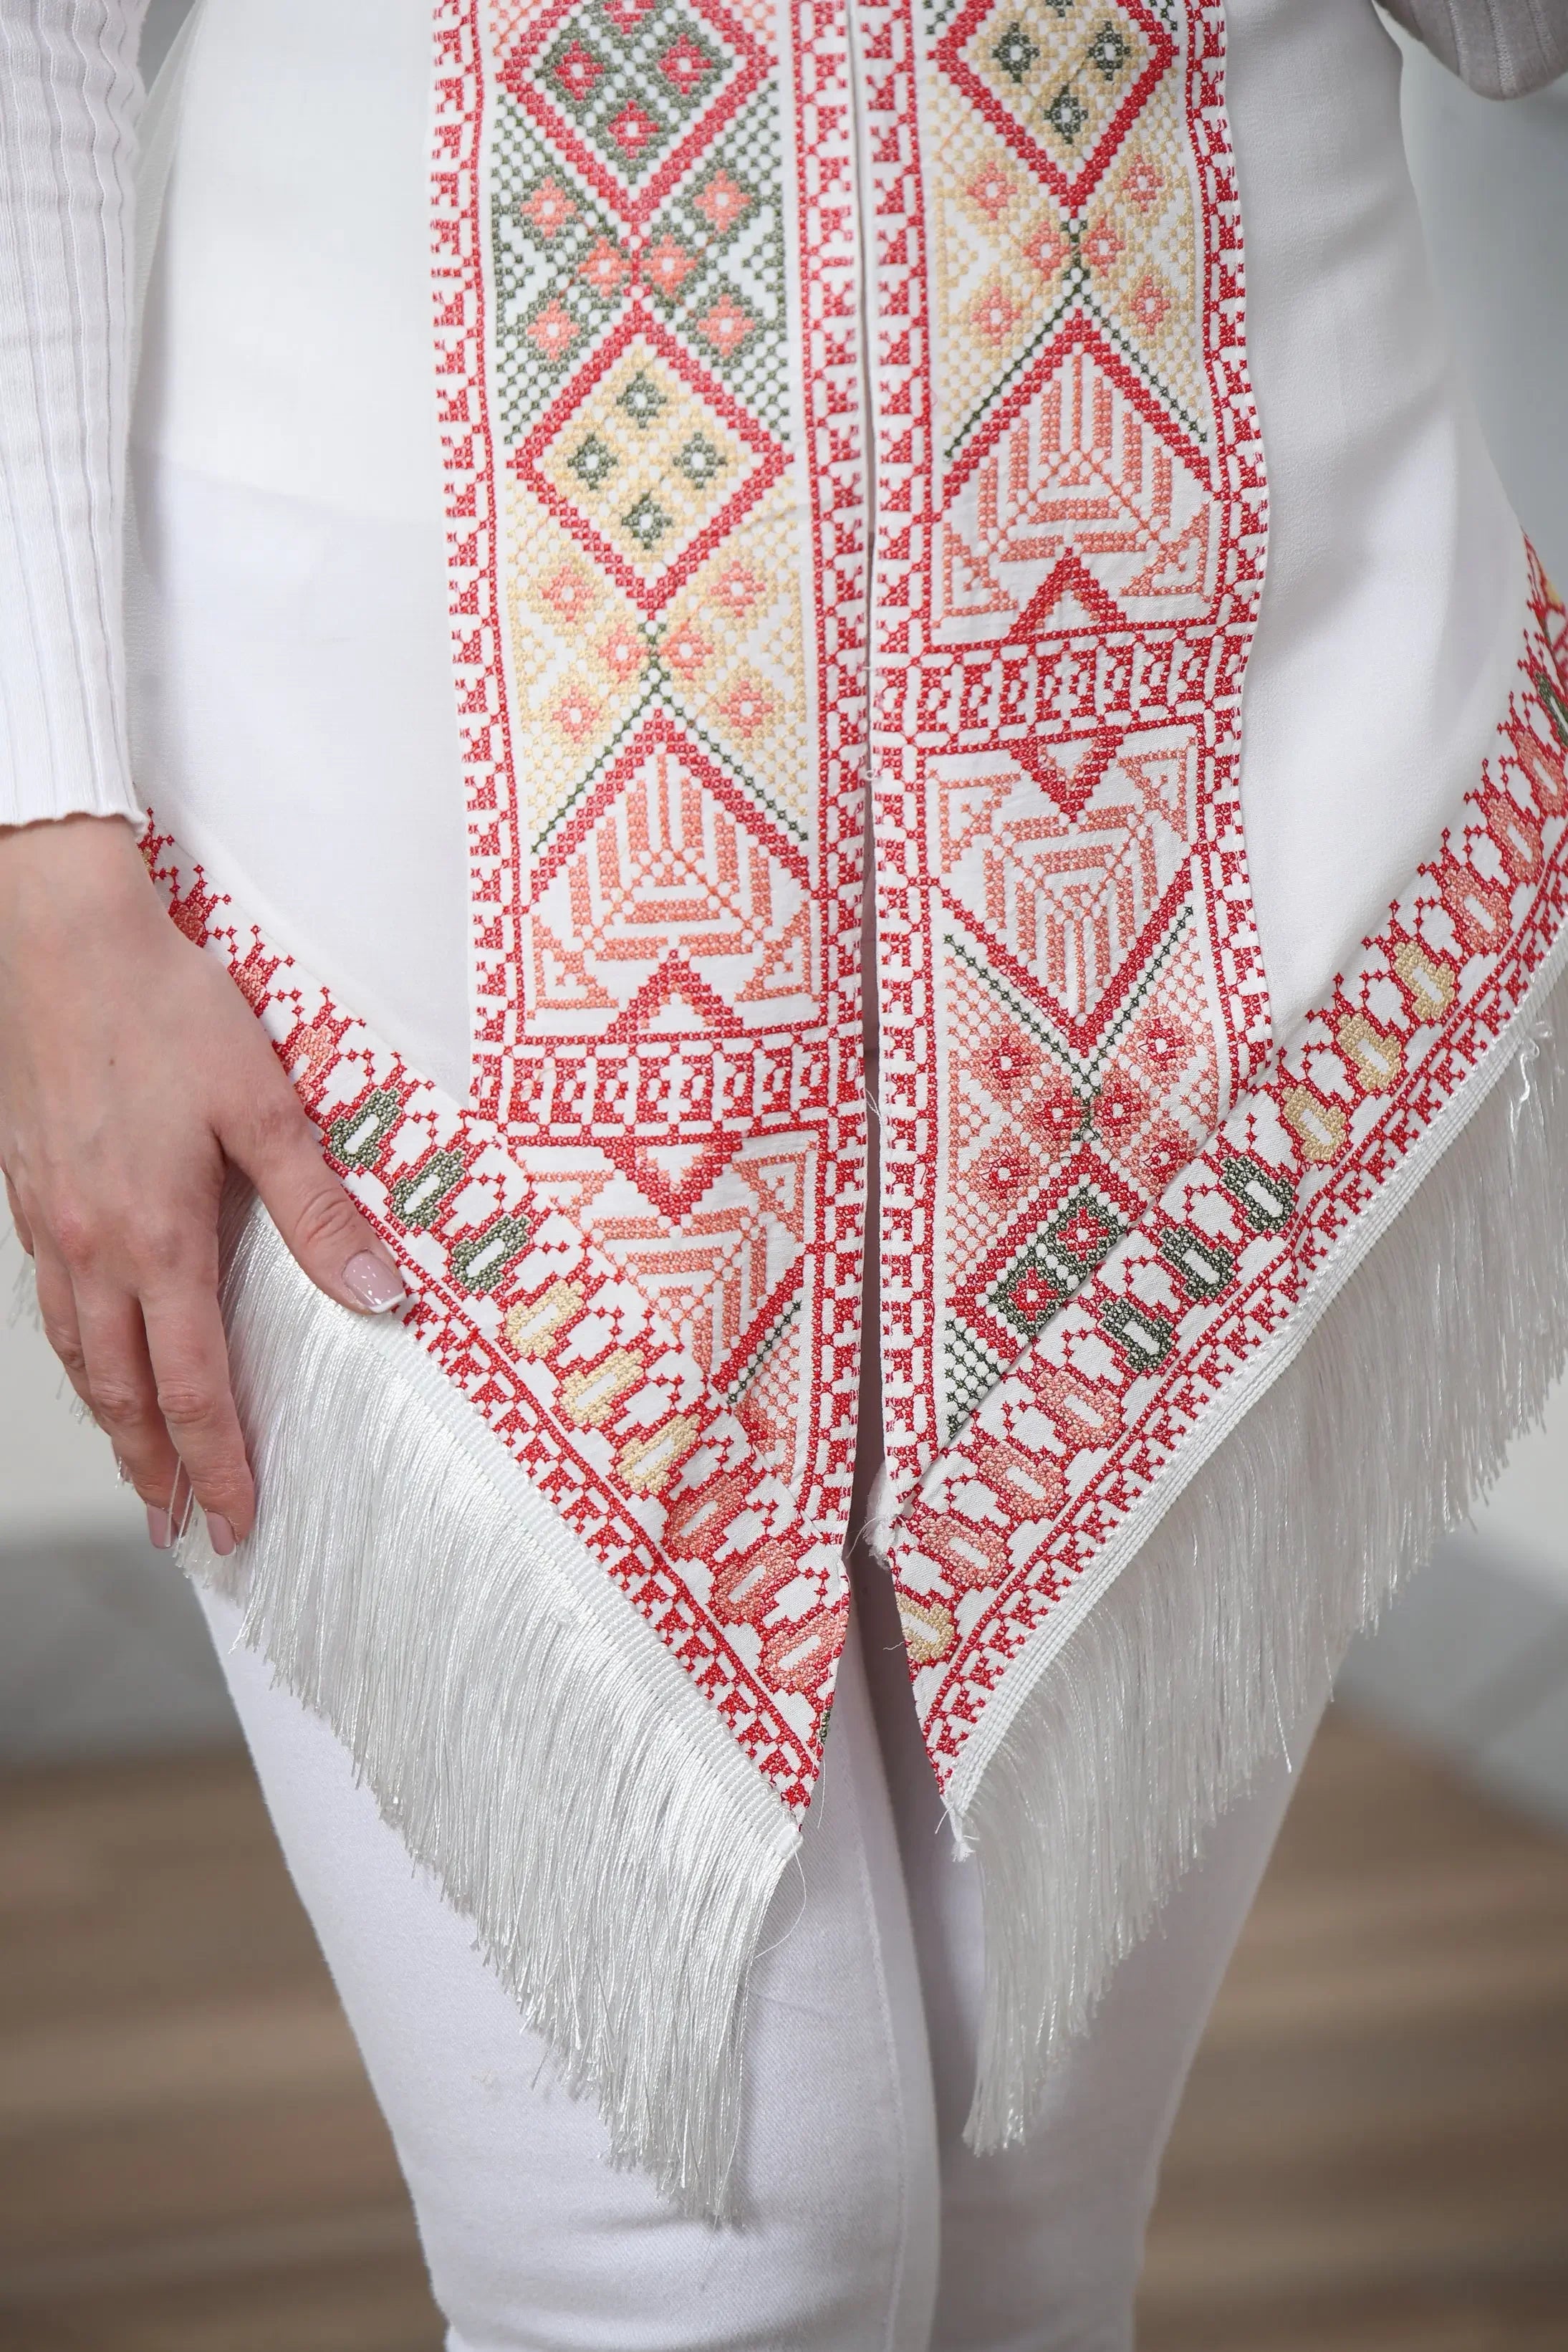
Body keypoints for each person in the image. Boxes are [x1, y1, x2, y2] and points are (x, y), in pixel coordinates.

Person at [4, 3, 1567, 2344]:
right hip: (402, 840)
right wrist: (43, 844)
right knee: (715, 2272)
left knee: (1029, 2242)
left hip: (1182, 789)